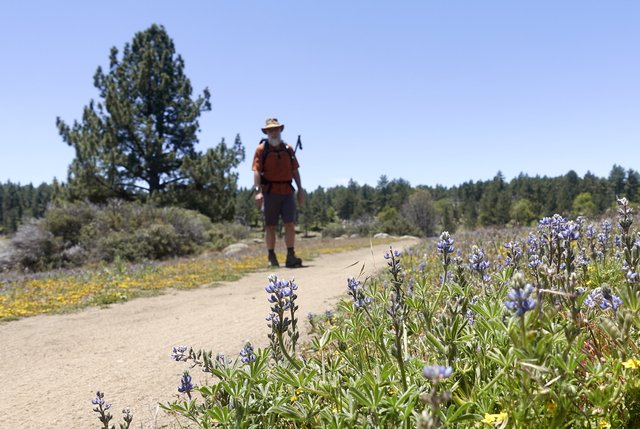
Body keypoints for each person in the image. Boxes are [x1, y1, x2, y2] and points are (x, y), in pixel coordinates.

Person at [252, 118, 305, 267]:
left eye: (275, 129)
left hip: (287, 192)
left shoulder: (288, 149)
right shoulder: (261, 150)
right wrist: (258, 191)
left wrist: (300, 190)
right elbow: (256, 171)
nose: (273, 132)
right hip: (269, 192)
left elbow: (295, 171)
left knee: (290, 224)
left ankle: (290, 256)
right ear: (266, 132)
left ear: (280, 130)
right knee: (270, 226)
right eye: (270, 130)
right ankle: (271, 256)